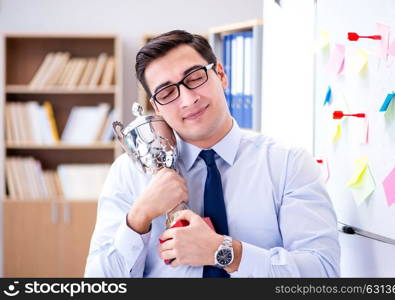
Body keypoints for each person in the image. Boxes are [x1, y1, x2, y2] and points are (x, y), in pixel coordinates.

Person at [84, 30, 340, 277]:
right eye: (167, 92)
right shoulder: (129, 173)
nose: (187, 100)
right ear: (156, 107)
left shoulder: (288, 164)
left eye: (194, 77)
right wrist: (138, 218)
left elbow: (323, 273)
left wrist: (224, 252)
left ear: (220, 74)